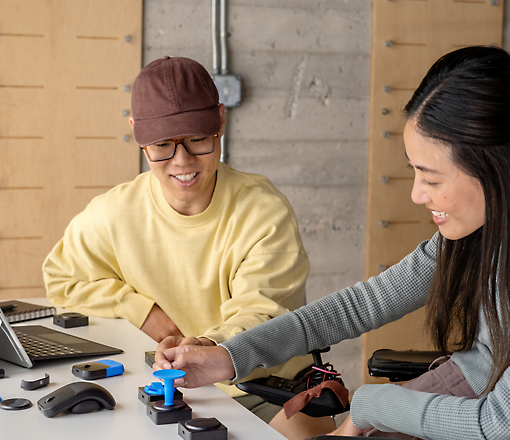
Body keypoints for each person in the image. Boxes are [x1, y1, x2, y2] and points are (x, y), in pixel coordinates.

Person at [153, 46, 510, 440]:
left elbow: (502, 424)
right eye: (414, 172)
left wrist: (370, 405)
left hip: (493, 417)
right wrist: (230, 357)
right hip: (467, 389)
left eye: (432, 178)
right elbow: (359, 306)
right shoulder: (484, 231)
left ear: (502, 171)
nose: (418, 194)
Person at [42, 55, 317, 424]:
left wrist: (205, 346)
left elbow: (263, 315)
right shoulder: (113, 212)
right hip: (166, 390)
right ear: (136, 132)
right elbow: (62, 278)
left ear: (220, 119)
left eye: (197, 139)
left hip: (267, 388)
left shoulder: (264, 211)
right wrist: (143, 314)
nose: (182, 161)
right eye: (161, 145)